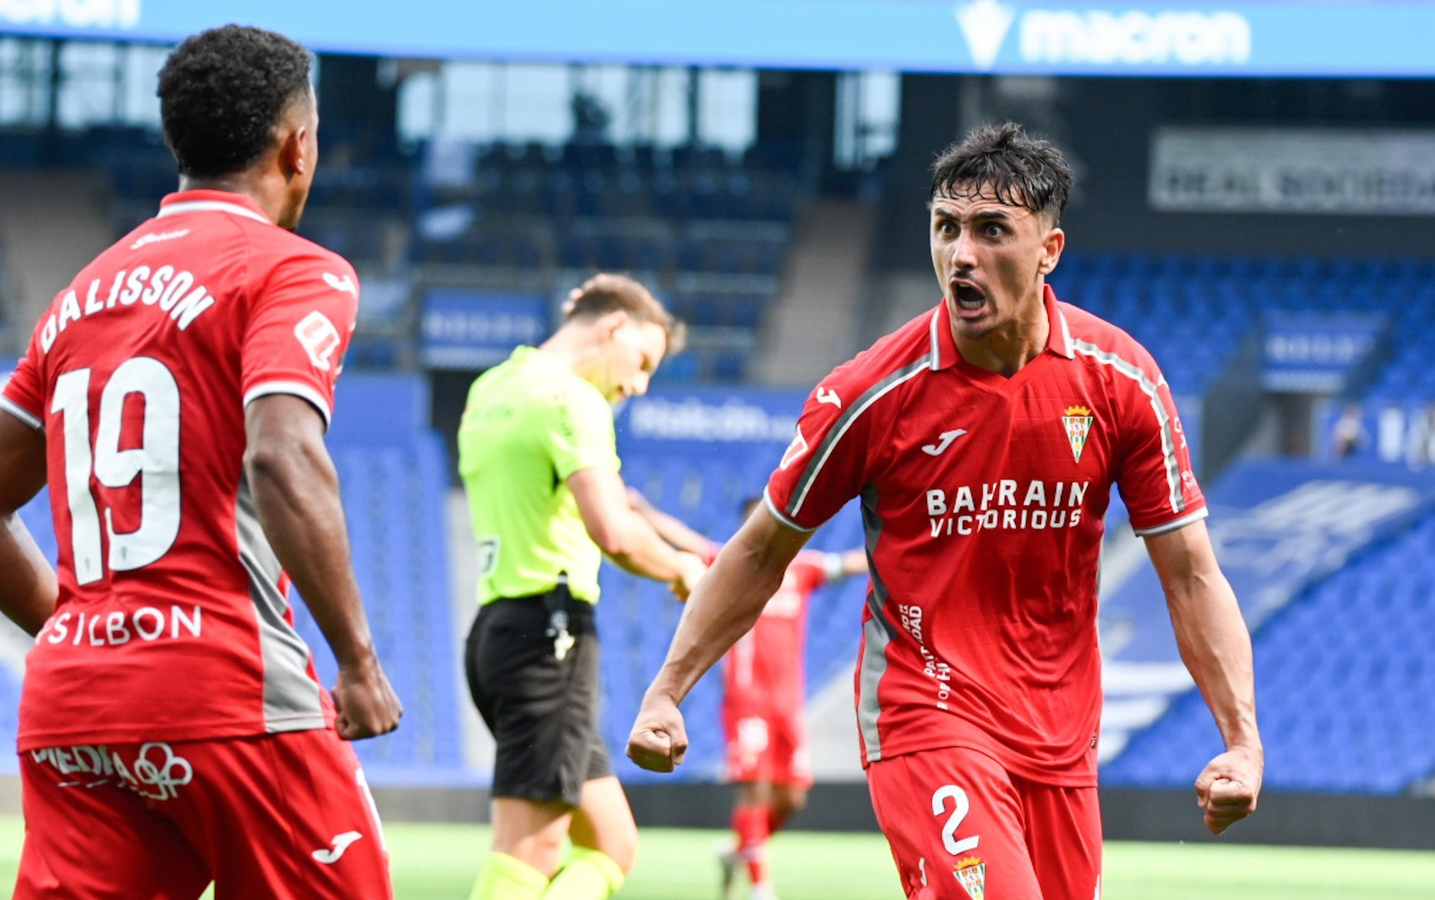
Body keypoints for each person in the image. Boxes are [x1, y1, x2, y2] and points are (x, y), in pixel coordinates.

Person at [626, 123, 1263, 900]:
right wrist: (667, 689)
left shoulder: (1121, 381)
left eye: (992, 230)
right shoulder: (870, 394)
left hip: (1061, 736)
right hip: (926, 712)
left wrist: (1242, 739)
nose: (961, 253)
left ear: (1048, 251)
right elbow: (761, 550)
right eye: (945, 228)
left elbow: (1192, 575)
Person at [0, 25, 400, 899]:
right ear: (297, 146)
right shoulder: (295, 272)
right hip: (229, 697)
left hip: (73, 709)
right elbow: (284, 452)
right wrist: (358, 661)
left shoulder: (79, 297)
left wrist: (93, 641)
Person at [461, 274, 707, 900]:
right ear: (614, 326)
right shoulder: (571, 400)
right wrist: (683, 568)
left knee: (612, 841)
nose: (639, 384)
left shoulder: (491, 388)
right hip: (552, 634)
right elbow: (615, 533)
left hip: (498, 631)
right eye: (643, 362)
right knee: (533, 847)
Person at [630, 492, 865, 900]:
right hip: (748, 699)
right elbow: (687, 541)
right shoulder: (733, 564)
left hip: (788, 702)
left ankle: (739, 851)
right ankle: (761, 886)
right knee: (755, 787)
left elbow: (852, 562)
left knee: (792, 797)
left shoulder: (802, 569)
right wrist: (646, 512)